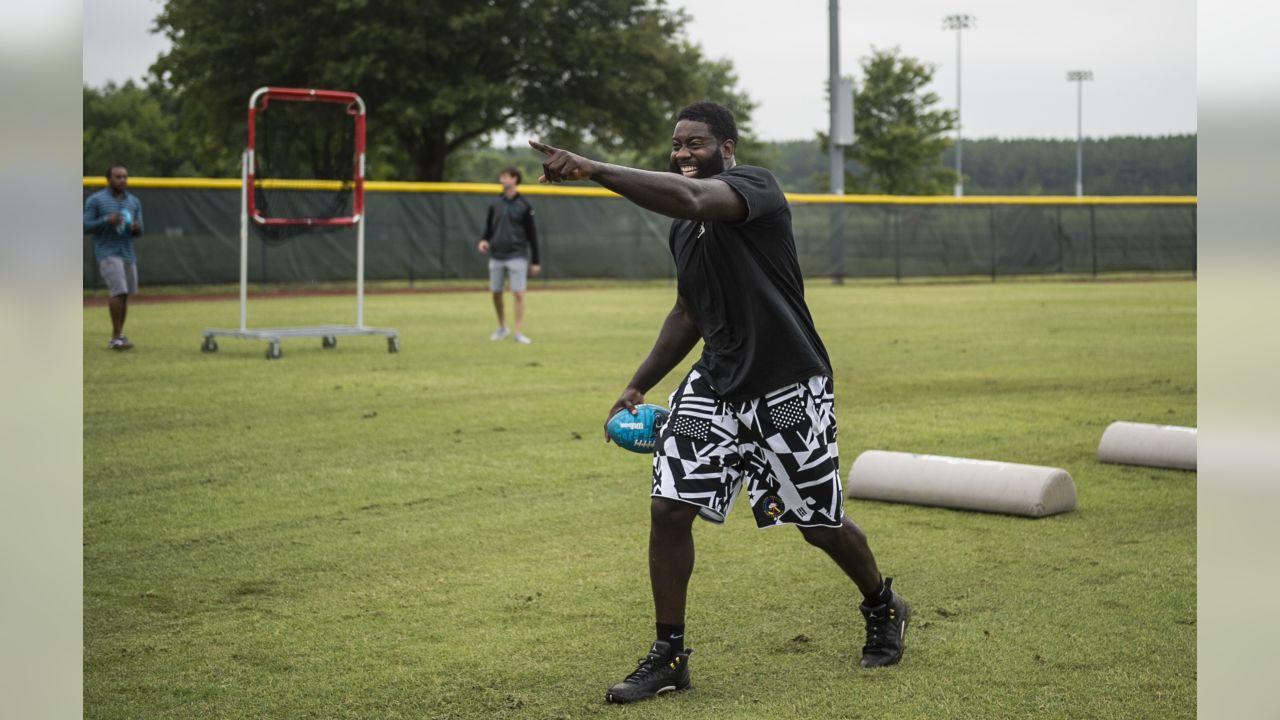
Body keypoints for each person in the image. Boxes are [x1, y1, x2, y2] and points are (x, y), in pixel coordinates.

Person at [531, 101, 911, 704]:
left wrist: (590, 167)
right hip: (716, 383)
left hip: (788, 383)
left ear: (727, 149)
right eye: (677, 144)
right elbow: (689, 311)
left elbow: (691, 198)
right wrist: (639, 383)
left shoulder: (754, 187)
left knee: (818, 522)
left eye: (697, 144)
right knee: (669, 509)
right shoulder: (683, 228)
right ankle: (669, 655)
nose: (683, 154)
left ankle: (883, 604)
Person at [477, 167, 541, 344]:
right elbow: (489, 227)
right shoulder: (495, 204)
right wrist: (484, 240)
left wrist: (535, 260)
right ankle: (502, 327)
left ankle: (518, 332)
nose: (502, 180)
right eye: (501, 177)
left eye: (505, 177)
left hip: (517, 255)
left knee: (518, 294)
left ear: (514, 179)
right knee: (496, 293)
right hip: (496, 255)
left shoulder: (525, 206)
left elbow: (532, 235)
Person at [84, 165, 144, 350]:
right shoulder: (96, 200)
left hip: (127, 252)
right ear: (108, 179)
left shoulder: (133, 202)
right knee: (118, 292)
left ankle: (120, 335)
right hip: (108, 252)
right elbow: (85, 225)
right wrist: (106, 220)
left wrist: (135, 228)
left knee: (125, 294)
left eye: (125, 177)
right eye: (118, 177)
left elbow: (141, 229)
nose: (123, 180)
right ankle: (116, 338)